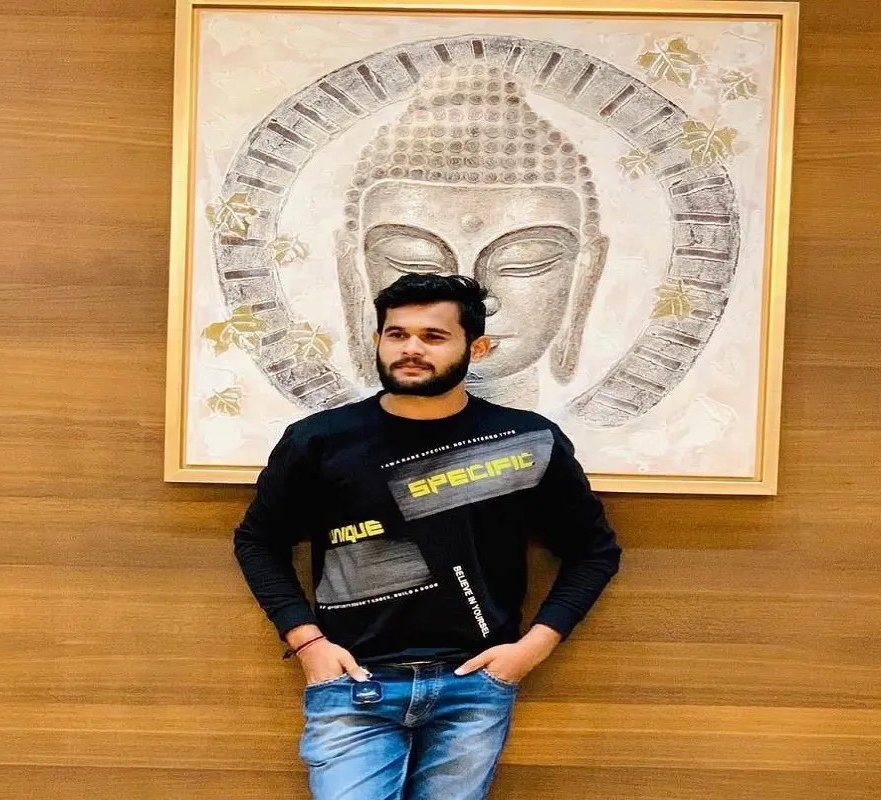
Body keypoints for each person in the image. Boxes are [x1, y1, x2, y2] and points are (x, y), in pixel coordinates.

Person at [234, 273, 622, 800]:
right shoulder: (320, 441)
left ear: (476, 348)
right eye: (397, 334)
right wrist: (308, 643)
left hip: (474, 685)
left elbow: (593, 551)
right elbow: (258, 541)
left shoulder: (526, 440)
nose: (411, 349)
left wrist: (531, 650)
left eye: (433, 336)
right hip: (354, 682)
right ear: (377, 340)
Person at [335, 63, 610, 409]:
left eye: (525, 261)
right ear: (354, 274)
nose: (477, 301)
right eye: (413, 260)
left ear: (586, 275)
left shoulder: (542, 436)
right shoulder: (324, 435)